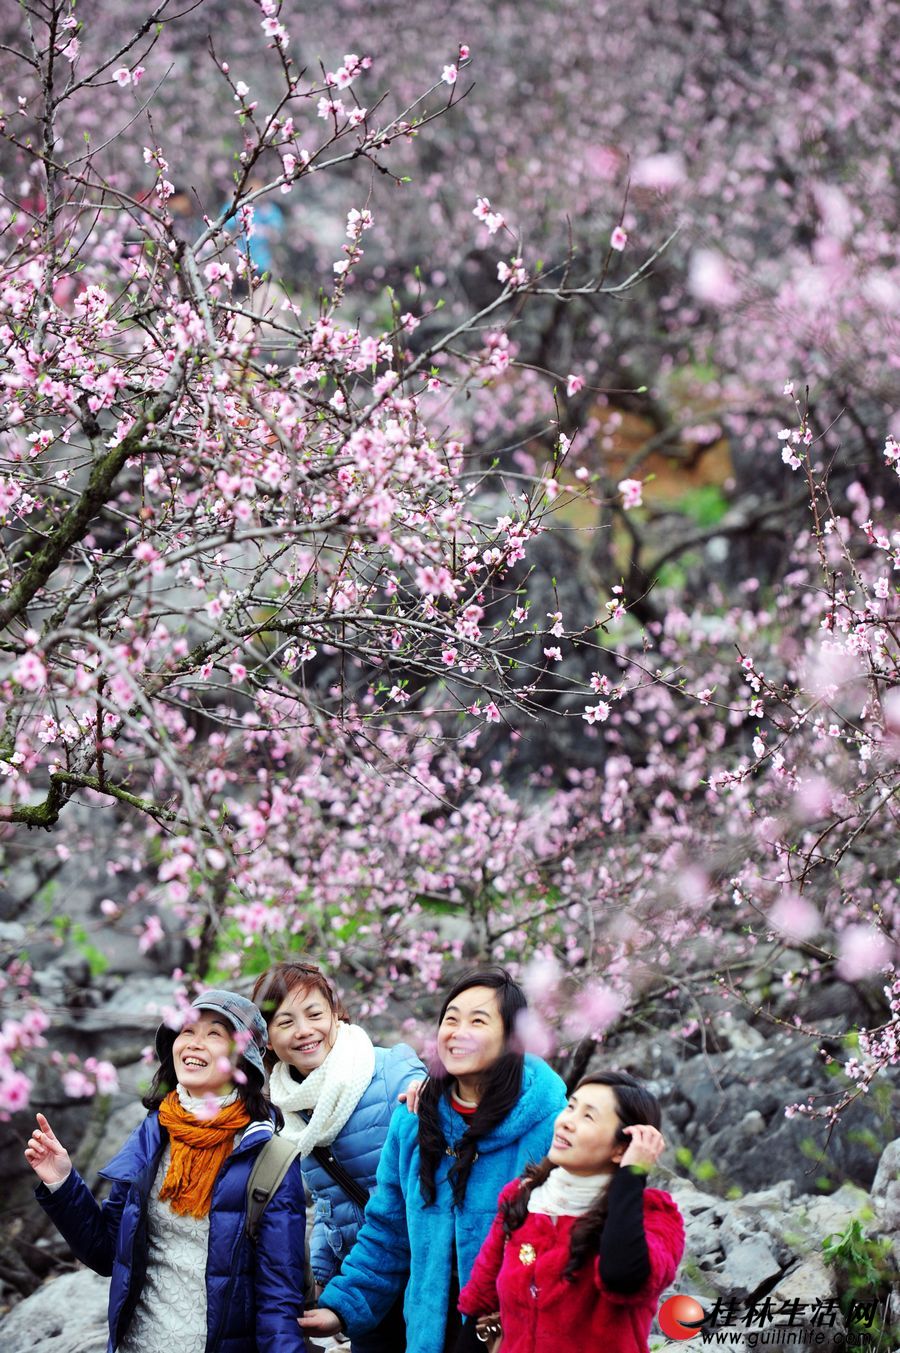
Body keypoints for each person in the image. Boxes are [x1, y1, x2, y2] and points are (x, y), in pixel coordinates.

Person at [298, 966, 568, 1353]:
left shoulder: (550, 1125)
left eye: (478, 1021)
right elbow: (387, 1232)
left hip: (519, 1334)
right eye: (451, 1019)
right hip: (432, 1333)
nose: (459, 1033)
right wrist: (342, 1308)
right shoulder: (413, 1122)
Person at [25, 989, 309, 1353]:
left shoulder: (267, 1158)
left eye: (214, 1034)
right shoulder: (152, 1135)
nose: (194, 1043)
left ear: (240, 1063)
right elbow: (107, 1253)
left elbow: (278, 1301)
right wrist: (62, 1183)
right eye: (188, 1031)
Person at [252, 960, 426, 1353]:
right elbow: (330, 1206)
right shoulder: (288, 1110)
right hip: (364, 1289)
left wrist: (428, 1095)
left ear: (335, 1012)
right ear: (266, 1037)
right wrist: (323, 1276)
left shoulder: (391, 1071)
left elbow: (429, 1115)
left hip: (420, 1271)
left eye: (314, 1014)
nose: (304, 1031)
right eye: (285, 1022)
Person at [458, 1070, 685, 1353]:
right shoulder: (523, 1197)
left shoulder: (654, 1216)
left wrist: (632, 1174)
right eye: (571, 1107)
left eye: (588, 1116)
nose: (567, 1123)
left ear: (621, 1148)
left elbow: (622, 1277)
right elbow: (482, 1301)